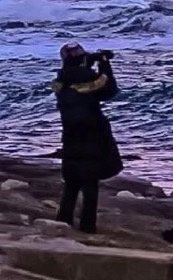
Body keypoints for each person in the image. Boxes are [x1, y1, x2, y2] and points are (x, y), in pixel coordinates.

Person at [52, 44, 122, 233]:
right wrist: (104, 63)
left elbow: (69, 77)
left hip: (70, 136)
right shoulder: (89, 78)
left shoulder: (59, 82)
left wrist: (87, 62)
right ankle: (87, 225)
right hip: (92, 135)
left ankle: (64, 220)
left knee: (72, 182)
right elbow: (110, 90)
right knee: (90, 183)